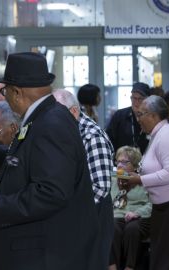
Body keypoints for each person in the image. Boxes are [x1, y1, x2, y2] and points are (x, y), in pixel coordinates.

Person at [0, 52, 101, 269]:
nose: (5, 98)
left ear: (17, 92)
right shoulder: (47, 116)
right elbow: (28, 160)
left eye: (5, 91)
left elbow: (51, 192)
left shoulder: (51, 123)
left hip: (45, 253)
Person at [119, 95, 169, 270]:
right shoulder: (158, 134)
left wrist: (139, 179)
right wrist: (134, 178)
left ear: (153, 116)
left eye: (141, 114)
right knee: (163, 257)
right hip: (166, 207)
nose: (138, 120)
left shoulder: (167, 135)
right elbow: (154, 167)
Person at [53, 89, 114, 268]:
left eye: (57, 115)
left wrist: (70, 211)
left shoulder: (92, 136)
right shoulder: (69, 129)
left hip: (93, 217)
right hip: (77, 214)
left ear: (73, 112)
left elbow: (100, 187)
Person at [109, 146, 151, 270]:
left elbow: (152, 204)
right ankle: (112, 266)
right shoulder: (112, 179)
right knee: (112, 225)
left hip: (138, 216)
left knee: (132, 229)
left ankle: (129, 266)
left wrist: (137, 213)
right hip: (117, 215)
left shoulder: (143, 180)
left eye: (125, 162)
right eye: (118, 161)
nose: (120, 165)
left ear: (135, 165)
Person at [106, 82, 151, 154]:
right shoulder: (120, 115)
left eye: (140, 99)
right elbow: (109, 140)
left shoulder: (151, 117)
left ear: (147, 100)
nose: (136, 102)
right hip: (123, 161)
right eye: (134, 98)